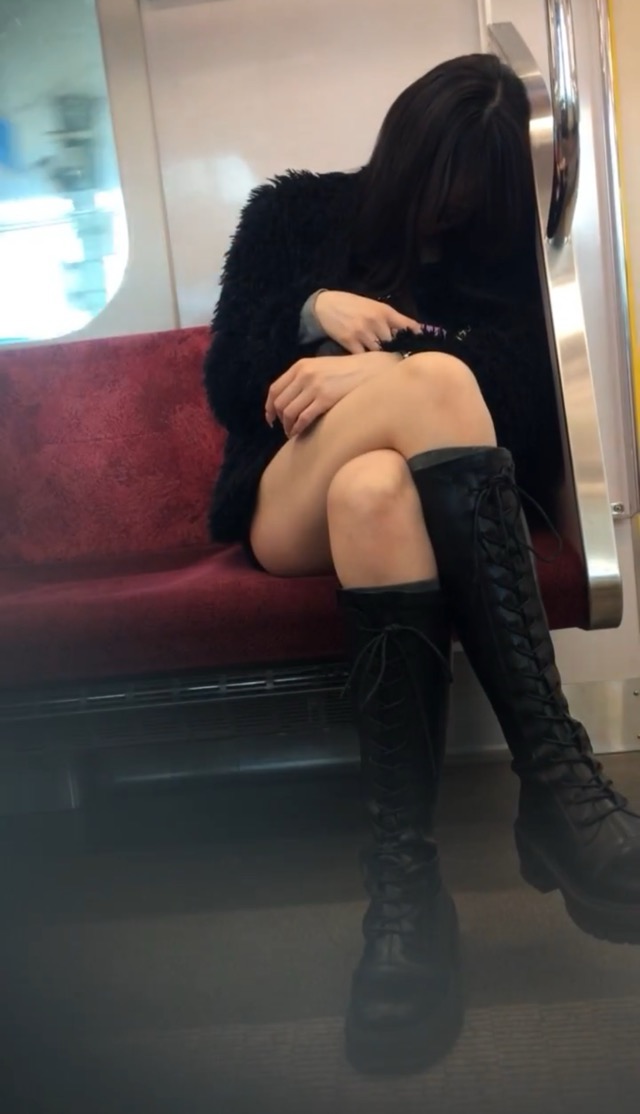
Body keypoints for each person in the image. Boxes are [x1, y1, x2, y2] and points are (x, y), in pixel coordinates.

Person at [204, 54, 640, 1075]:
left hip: (366, 505)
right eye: (438, 184)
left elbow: (520, 409)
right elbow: (228, 379)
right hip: (283, 497)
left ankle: (404, 888)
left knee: (377, 490)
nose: (449, 212)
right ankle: (558, 778)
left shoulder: (500, 256)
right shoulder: (296, 214)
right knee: (433, 391)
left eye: (473, 194)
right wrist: (315, 311)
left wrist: (373, 376)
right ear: (401, 155)